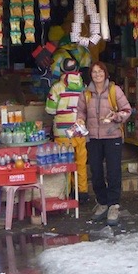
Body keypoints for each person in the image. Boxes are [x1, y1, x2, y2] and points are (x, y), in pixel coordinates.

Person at [76, 61, 132, 226]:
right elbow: (81, 111)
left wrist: (115, 116)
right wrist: (79, 119)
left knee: (114, 171)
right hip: (93, 137)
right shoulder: (86, 93)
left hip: (112, 136)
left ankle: (114, 205)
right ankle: (102, 203)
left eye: (100, 72)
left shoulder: (115, 90)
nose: (97, 75)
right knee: (96, 171)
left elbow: (127, 110)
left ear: (105, 73)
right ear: (90, 75)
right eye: (94, 72)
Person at [45, 58, 89, 202]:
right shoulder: (84, 87)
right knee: (81, 162)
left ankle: (68, 193)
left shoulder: (57, 87)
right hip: (79, 131)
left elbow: (50, 110)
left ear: (62, 71)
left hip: (62, 132)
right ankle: (82, 192)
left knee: (66, 164)